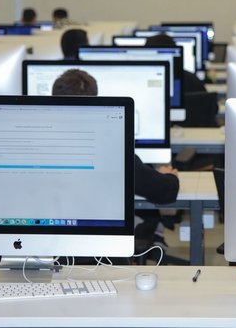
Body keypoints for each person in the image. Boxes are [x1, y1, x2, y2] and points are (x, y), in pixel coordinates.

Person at [51, 69, 180, 255]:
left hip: (43, 247)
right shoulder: (111, 147)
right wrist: (169, 177)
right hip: (101, 253)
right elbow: (164, 192)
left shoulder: (35, 143)